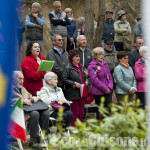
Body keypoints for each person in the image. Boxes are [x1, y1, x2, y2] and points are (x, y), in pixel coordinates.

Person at [11, 71, 49, 150]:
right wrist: (22, 101)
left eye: (23, 79)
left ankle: (43, 138)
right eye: (20, 79)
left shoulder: (22, 88)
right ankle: (33, 141)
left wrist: (33, 97)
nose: (22, 81)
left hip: (28, 109)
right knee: (35, 114)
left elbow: (29, 95)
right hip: (17, 112)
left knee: (45, 112)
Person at [62, 49, 88, 126]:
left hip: (82, 93)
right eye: (76, 56)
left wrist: (86, 80)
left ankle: (80, 126)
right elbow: (64, 79)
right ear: (72, 58)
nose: (78, 58)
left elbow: (85, 77)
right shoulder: (68, 68)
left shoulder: (81, 67)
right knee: (75, 111)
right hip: (73, 93)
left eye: (79, 56)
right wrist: (74, 83)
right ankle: (74, 127)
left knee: (81, 111)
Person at [88, 47, 113, 119]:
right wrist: (104, 88)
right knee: (100, 111)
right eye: (99, 54)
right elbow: (94, 80)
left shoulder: (105, 64)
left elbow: (110, 77)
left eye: (102, 54)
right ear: (95, 56)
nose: (102, 56)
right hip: (99, 92)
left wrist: (109, 87)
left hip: (108, 91)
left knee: (107, 110)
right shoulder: (92, 66)